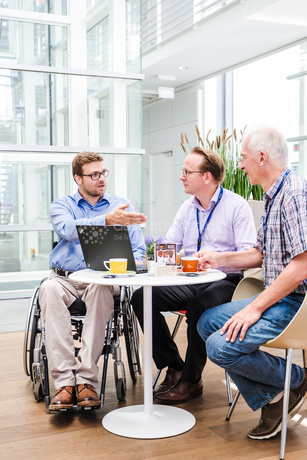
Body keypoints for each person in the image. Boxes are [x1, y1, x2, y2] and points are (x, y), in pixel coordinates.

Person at [196, 126, 307, 440]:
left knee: (219, 346)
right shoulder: (273, 195)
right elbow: (260, 253)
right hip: (280, 299)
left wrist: (254, 309)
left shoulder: (294, 193)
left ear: (262, 157)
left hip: (297, 304)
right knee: (205, 322)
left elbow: (303, 264)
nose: (241, 165)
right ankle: (272, 399)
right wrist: (220, 258)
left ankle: (297, 379)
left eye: (244, 159)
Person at [131, 146, 256, 404]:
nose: (181, 177)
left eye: (187, 171)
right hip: (190, 279)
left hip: (227, 281)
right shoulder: (187, 208)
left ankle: (191, 380)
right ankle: (174, 365)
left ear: (207, 177)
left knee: (199, 307)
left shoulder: (236, 206)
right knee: (142, 297)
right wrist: (151, 259)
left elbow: (249, 255)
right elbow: (172, 247)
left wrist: (218, 258)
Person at [39, 151, 147, 411]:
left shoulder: (121, 205)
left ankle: (86, 381)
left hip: (101, 280)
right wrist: (107, 221)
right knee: (48, 289)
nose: (101, 179)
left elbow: (139, 251)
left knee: (102, 290)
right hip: (65, 280)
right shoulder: (62, 205)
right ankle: (65, 384)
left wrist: (137, 263)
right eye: (94, 175)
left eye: (103, 173)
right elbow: (67, 230)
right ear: (78, 178)